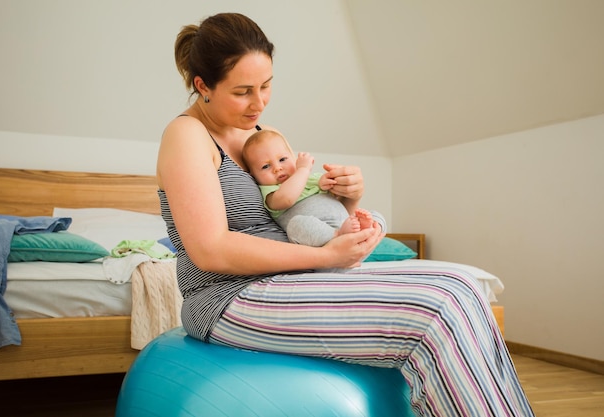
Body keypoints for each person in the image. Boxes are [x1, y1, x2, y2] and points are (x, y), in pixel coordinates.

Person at [156, 12, 534, 416]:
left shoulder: (256, 134)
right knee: (434, 309)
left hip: (292, 278)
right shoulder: (187, 136)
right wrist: (326, 256)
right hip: (227, 297)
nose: (259, 102)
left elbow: (290, 211)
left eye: (266, 86)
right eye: (243, 91)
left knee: (463, 284)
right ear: (203, 86)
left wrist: (348, 198)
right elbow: (211, 250)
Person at [242, 129, 386, 247]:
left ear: (292, 157)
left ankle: (368, 232)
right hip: (323, 244)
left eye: (282, 159)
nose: (277, 168)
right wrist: (303, 169)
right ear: (253, 175)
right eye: (265, 166)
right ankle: (338, 235)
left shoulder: (309, 178)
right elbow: (286, 199)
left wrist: (331, 181)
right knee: (296, 225)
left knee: (376, 216)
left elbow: (336, 196)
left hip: (346, 225)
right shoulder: (270, 191)